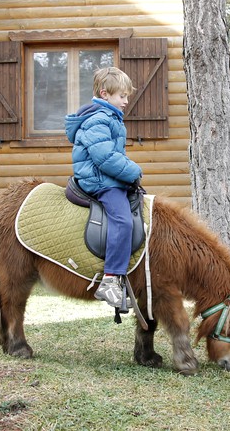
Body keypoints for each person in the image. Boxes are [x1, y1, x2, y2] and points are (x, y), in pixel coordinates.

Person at [65, 67, 143, 309]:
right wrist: (133, 171)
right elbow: (105, 157)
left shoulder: (109, 118)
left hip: (107, 176)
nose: (126, 101)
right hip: (99, 180)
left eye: (127, 96)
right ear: (105, 93)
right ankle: (110, 280)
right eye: (122, 96)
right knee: (123, 220)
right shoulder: (98, 120)